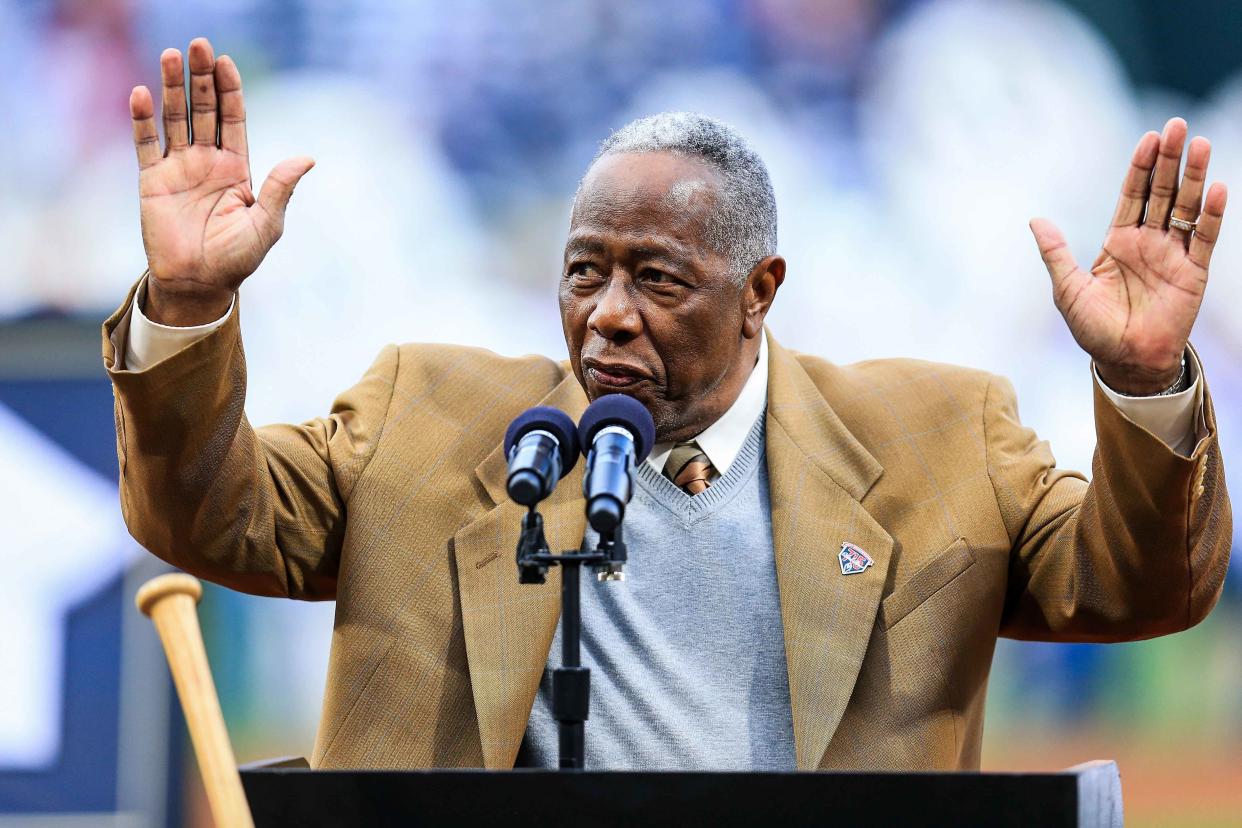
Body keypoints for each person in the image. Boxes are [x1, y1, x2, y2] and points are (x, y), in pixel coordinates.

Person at [105, 38, 1230, 771]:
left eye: (657, 278)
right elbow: (206, 516)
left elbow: (1141, 588)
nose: (606, 314)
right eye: (584, 272)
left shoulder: (941, 441)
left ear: (760, 294)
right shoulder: (427, 417)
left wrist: (1139, 380)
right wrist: (190, 302)